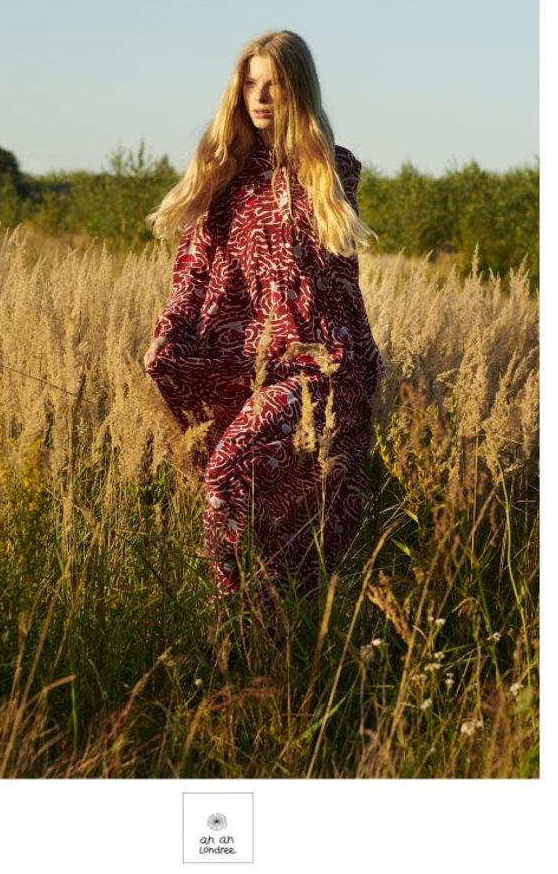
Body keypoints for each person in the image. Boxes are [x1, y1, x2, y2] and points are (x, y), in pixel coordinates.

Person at [143, 30, 385, 615]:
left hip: (316, 364)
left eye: (274, 85)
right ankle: (255, 621)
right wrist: (167, 334)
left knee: (231, 473)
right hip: (239, 361)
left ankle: (238, 615)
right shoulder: (220, 172)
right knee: (245, 492)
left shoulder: (334, 170)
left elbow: (342, 280)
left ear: (298, 90)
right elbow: (192, 271)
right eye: (250, 84)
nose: (260, 97)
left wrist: (364, 362)